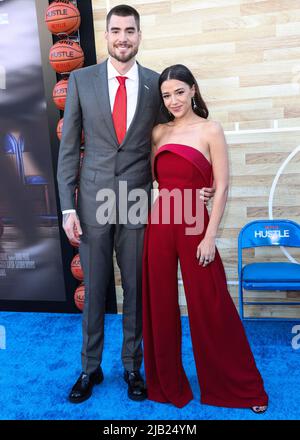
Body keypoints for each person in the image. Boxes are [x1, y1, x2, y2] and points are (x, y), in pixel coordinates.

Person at [57, 4, 216, 404]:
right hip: (93, 202)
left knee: (135, 288)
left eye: (130, 30)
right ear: (107, 35)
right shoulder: (80, 79)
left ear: (139, 36)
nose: (123, 37)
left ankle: (133, 366)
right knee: (94, 290)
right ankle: (89, 369)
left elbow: (174, 134)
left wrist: (194, 183)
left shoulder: (155, 84)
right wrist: (67, 207)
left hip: (137, 204)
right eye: (116, 31)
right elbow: (69, 150)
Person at [142, 64, 268, 413]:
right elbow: (159, 181)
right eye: (166, 95)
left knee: (211, 302)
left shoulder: (210, 129)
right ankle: (166, 382)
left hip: (197, 225)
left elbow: (223, 184)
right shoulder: (158, 132)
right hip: (162, 221)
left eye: (179, 92)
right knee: (160, 303)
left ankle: (240, 386)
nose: (173, 100)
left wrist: (210, 235)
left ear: (193, 90)